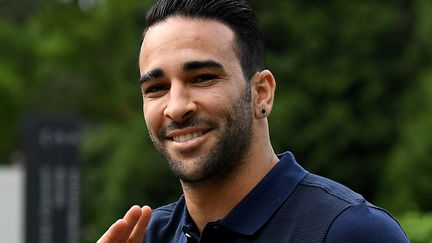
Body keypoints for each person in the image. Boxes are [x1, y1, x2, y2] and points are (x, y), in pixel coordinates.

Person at [98, 0, 409, 242]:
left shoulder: (351, 232)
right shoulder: (145, 237)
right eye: (156, 88)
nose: (176, 108)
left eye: (203, 78)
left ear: (261, 93)